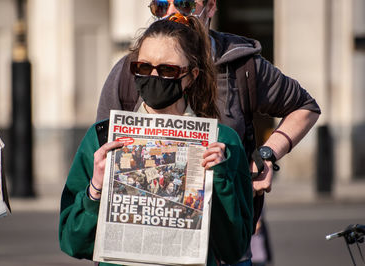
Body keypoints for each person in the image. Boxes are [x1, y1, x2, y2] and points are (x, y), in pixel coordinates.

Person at [60, 14, 253, 266]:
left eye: (167, 70)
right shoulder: (103, 137)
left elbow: (233, 248)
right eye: (143, 67)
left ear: (191, 76)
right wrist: (95, 189)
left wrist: (219, 178)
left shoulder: (222, 142)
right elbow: (71, 241)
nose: (153, 76)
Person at [96, 0, 321, 197]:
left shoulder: (243, 66)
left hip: (224, 232)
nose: (172, 14)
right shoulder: (132, 69)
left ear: (211, 6)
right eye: (161, 6)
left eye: (185, 4)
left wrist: (266, 156)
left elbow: (304, 107)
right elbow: (101, 147)